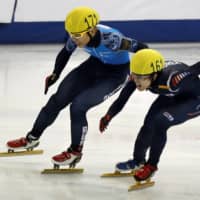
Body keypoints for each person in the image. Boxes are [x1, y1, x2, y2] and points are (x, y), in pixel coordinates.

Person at [7, 6, 148, 167]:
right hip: (94, 66)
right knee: (57, 100)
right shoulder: (77, 33)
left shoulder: (112, 39)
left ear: (92, 30)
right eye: (70, 34)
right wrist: (55, 74)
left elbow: (143, 49)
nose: (73, 39)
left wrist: (143, 74)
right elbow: (65, 52)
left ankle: (75, 152)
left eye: (77, 35)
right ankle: (31, 138)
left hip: (115, 75)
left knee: (78, 106)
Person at [99, 49, 200, 181]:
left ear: (154, 75)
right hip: (170, 95)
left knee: (160, 121)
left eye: (141, 78)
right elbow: (123, 98)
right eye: (135, 77)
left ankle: (151, 166)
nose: (137, 82)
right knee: (148, 125)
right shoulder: (139, 74)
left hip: (193, 100)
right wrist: (109, 116)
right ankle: (138, 161)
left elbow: (196, 68)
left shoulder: (174, 79)